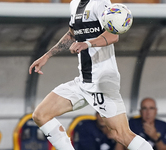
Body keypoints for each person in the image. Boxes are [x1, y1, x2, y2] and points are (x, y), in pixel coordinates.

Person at [29, 0, 154, 149]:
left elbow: (113, 35)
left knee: (121, 134)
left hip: (102, 81)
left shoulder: (100, 2)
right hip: (83, 81)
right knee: (40, 115)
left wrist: (87, 43)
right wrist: (46, 56)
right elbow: (72, 34)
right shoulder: (74, 4)